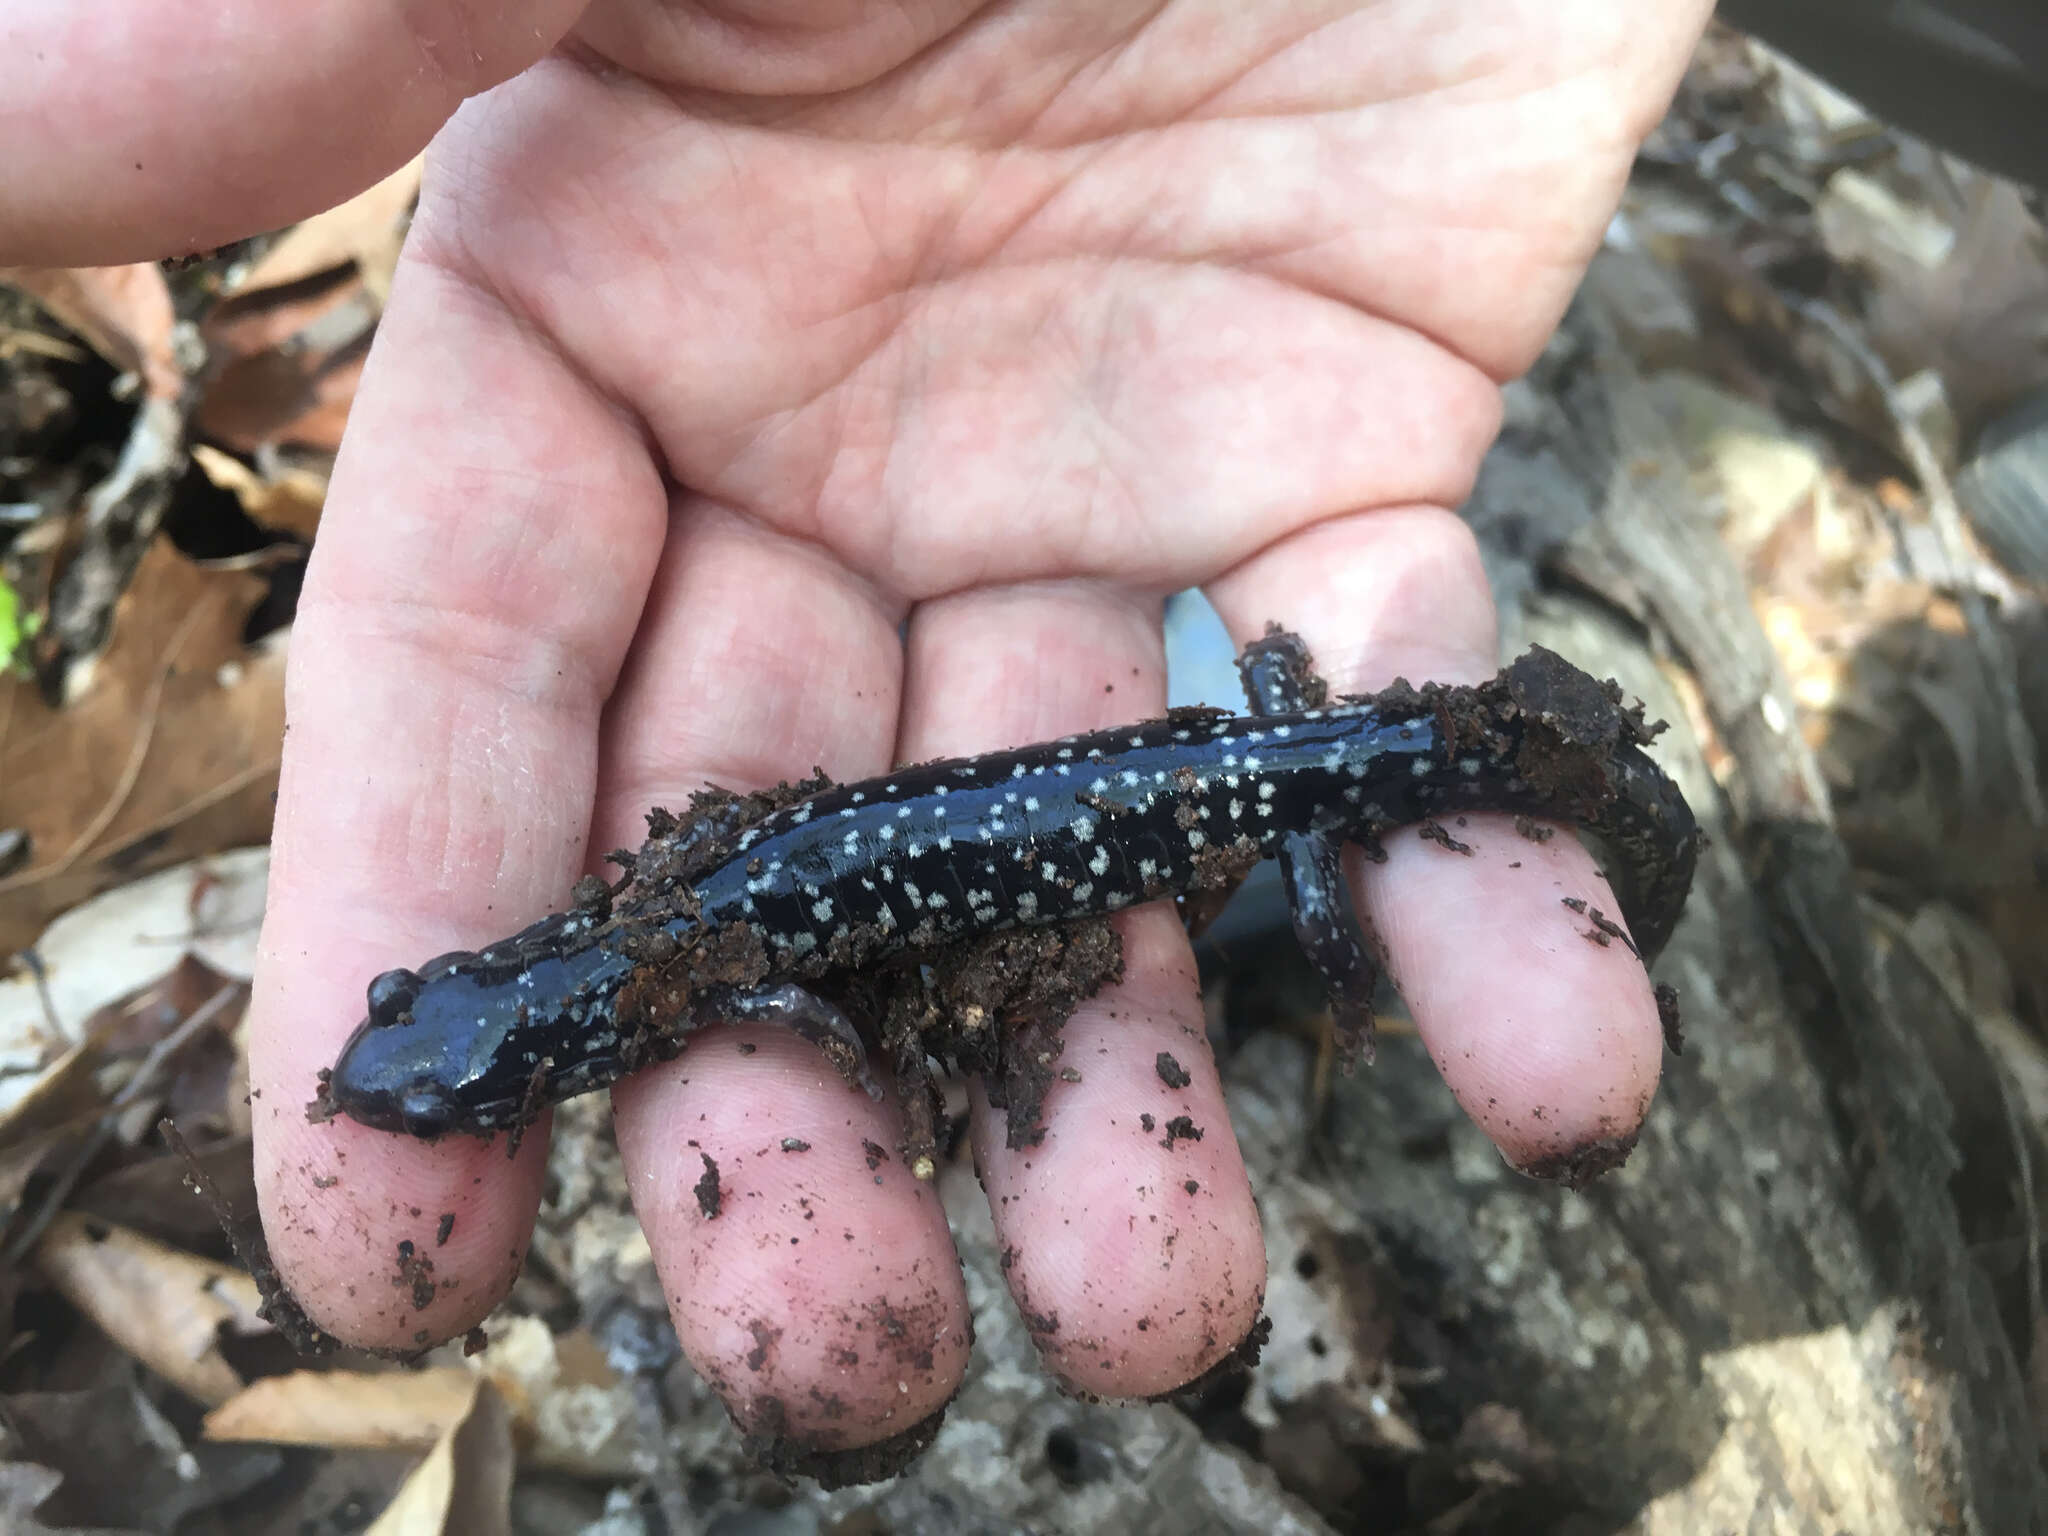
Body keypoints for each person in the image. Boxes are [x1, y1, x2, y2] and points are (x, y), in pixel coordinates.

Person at [5, 0, 1719, 1473]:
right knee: (1291, 783)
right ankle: (1350, 835)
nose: (411, 1060)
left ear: (537, 1055)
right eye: (438, 1061)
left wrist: (863, 1044)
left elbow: (784, 1003)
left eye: (432, 1050)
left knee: (1324, 858)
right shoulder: (652, 946)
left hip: (1266, 776)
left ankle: (1338, 929)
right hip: (1246, 750)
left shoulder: (690, 974)